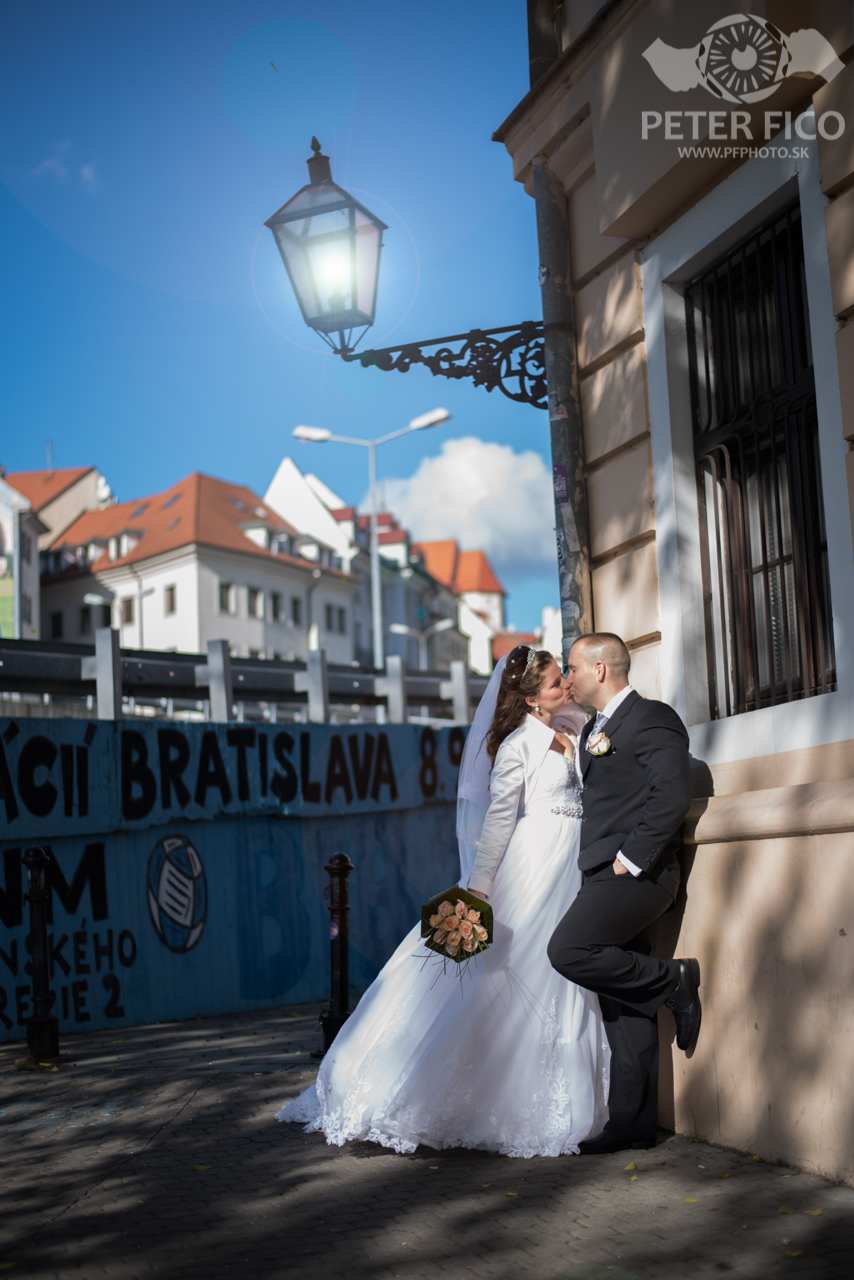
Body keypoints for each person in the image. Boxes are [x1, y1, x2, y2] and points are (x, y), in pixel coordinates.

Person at [276, 645, 610, 1158]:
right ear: (528, 700)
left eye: (560, 679)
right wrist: (478, 887)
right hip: (534, 864)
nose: (562, 685)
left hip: (573, 867)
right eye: (551, 683)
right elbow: (498, 822)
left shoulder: (575, 730)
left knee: (564, 973)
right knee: (501, 976)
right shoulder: (519, 745)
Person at [547, 632, 701, 1155]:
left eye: (572, 668)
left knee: (567, 951)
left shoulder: (653, 717)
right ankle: (631, 1124)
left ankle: (675, 978)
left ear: (600, 669)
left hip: (639, 875)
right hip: (602, 874)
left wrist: (633, 858)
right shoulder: (595, 727)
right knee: (621, 1004)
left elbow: (671, 793)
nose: (567, 678)